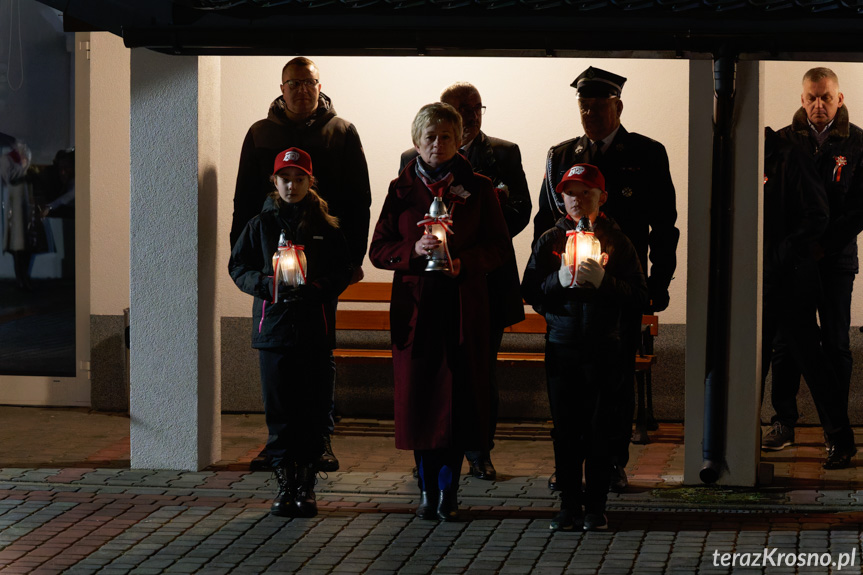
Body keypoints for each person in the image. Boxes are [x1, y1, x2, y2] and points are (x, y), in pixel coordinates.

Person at [532, 66, 679, 493]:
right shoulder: (561, 155)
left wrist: (659, 282)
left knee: (614, 384)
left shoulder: (647, 153)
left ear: (618, 105)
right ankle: (569, 466)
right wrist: (544, 281)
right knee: (568, 387)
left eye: (598, 105)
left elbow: (664, 225)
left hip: (620, 291)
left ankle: (613, 460)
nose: (590, 113)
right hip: (567, 293)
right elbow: (546, 223)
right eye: (584, 106)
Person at [370, 103, 513, 521]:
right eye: (430, 136)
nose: (438, 144)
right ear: (417, 141)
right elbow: (378, 250)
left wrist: (464, 262)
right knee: (421, 403)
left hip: (463, 310)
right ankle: (426, 487)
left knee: (459, 403)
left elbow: (500, 248)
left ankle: (449, 491)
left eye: (446, 136)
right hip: (416, 314)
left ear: (459, 140)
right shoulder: (400, 189)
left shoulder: (480, 187)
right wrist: (411, 251)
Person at [231, 56, 372, 473]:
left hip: (325, 260)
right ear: (281, 88)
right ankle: (279, 443)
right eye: (293, 83)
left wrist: (352, 260)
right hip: (270, 267)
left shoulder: (341, 131)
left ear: (319, 85)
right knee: (275, 361)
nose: (301, 90)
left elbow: (359, 200)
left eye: (308, 82)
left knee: (318, 353)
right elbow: (243, 202)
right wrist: (252, 267)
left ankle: (320, 438)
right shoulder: (260, 133)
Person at [399, 82, 530, 481]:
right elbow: (406, 217)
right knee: (432, 372)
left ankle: (479, 450)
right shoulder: (410, 158)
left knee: (479, 372)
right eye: (462, 109)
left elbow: (522, 210)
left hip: (483, 282)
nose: (472, 115)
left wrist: (473, 236)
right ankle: (431, 450)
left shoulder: (503, 153)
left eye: (476, 108)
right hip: (430, 287)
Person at [522, 163, 647, 531]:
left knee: (600, 428)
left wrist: (605, 283)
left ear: (601, 197)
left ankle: (596, 505)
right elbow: (529, 290)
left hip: (605, 347)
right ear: (561, 198)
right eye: (570, 192)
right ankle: (568, 505)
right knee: (565, 428)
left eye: (585, 192)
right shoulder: (550, 240)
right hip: (563, 345)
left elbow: (640, 295)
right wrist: (558, 282)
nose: (577, 199)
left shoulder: (617, 242)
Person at [229, 147, 352, 517]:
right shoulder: (260, 225)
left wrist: (318, 289)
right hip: (275, 332)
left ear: (309, 182)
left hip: (315, 331)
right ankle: (285, 485)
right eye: (285, 178)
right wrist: (268, 285)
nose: (292, 185)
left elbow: (343, 270)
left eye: (300, 179)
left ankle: (307, 486)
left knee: (312, 411)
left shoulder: (326, 227)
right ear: (274, 180)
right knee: (281, 413)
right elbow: (239, 267)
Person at [766, 67, 863, 467]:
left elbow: (858, 207)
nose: (818, 105)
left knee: (836, 342)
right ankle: (784, 421)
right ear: (801, 99)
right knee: (786, 345)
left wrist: (824, 245)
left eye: (825, 97)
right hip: (793, 262)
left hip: (835, 258)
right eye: (811, 97)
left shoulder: (857, 142)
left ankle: (833, 429)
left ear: (839, 98)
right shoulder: (785, 141)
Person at [1, 137, 42, 291]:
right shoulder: (6, 160)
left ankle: (24, 276)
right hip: (14, 204)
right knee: (17, 243)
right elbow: (7, 180)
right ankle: (20, 277)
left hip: (26, 203)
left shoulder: (27, 156)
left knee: (28, 242)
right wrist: (22, 168)